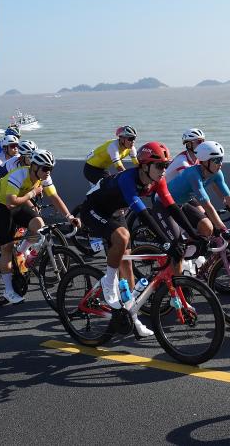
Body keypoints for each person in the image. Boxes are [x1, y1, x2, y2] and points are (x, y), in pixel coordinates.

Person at [79, 141, 191, 336]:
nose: (164, 170)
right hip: (93, 210)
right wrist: (166, 243)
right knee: (122, 237)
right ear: (145, 166)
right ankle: (108, 283)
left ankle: (131, 316)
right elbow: (143, 214)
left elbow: (172, 207)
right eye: (160, 166)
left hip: (115, 213)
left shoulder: (158, 180)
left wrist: (194, 235)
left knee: (127, 266)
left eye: (166, 165)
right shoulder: (128, 179)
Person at [0, 150, 79, 304]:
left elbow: (54, 197)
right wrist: (32, 193)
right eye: (45, 168)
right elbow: (11, 202)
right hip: (2, 205)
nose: (48, 172)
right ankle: (8, 291)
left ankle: (22, 251)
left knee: (39, 226)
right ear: (34, 167)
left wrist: (69, 217)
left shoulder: (44, 177)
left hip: (19, 202)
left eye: (51, 168)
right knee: (7, 248)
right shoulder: (18, 175)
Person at [166, 140, 230, 239]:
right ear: (205, 161)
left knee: (207, 227)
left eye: (221, 159)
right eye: (217, 160)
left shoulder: (217, 173)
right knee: (176, 241)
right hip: (165, 204)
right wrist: (223, 229)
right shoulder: (193, 174)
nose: (220, 164)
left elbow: (229, 197)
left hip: (183, 203)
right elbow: (207, 205)